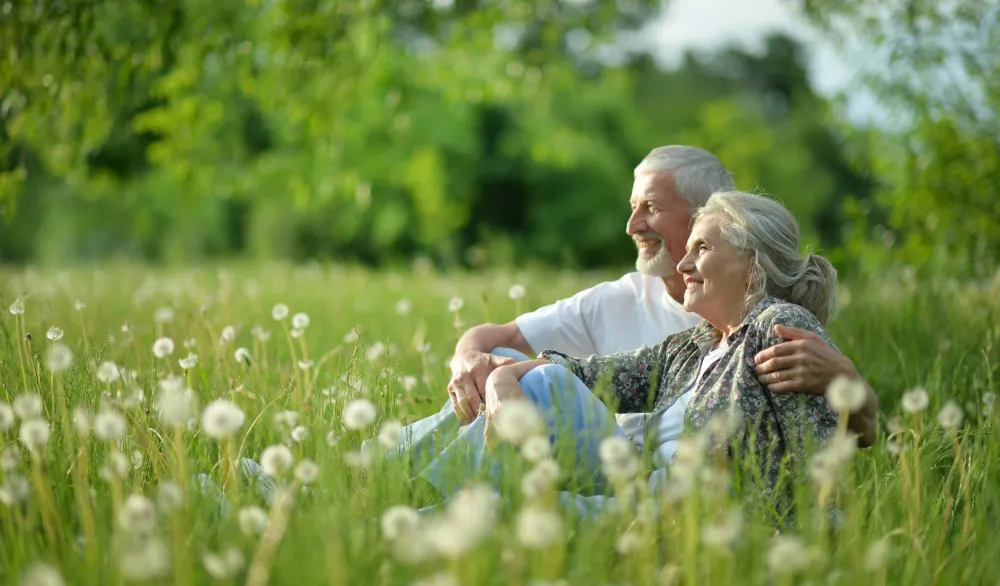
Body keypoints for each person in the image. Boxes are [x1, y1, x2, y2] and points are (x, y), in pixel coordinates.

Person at [400, 146, 876, 470]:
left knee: (538, 395)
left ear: (708, 214)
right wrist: (483, 369)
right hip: (622, 468)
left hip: (666, 496)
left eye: (650, 207)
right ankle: (399, 472)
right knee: (525, 375)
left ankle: (412, 485)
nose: (631, 225)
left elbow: (822, 446)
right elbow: (512, 345)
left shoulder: (772, 326)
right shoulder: (686, 338)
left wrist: (849, 384)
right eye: (633, 207)